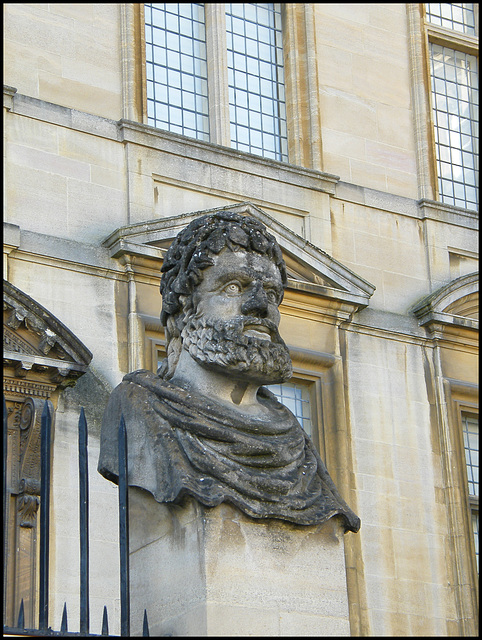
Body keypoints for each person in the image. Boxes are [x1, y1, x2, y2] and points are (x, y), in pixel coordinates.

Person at [98, 211, 360, 531]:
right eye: (234, 287)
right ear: (183, 311)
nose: (261, 306)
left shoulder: (294, 438)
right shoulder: (139, 407)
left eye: (272, 294)